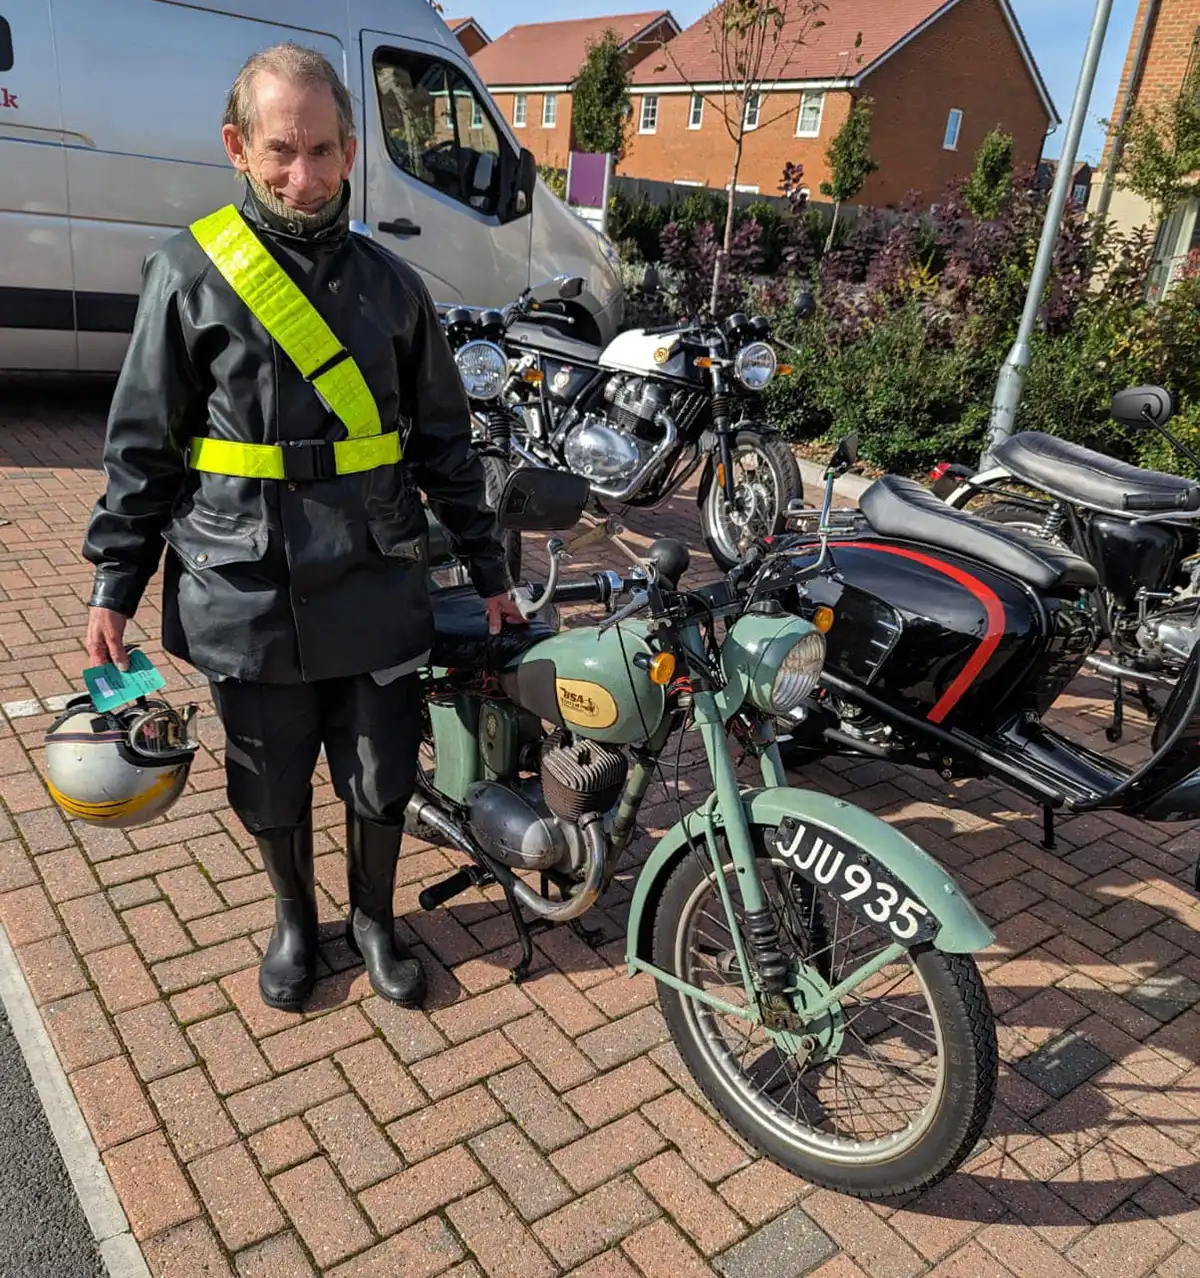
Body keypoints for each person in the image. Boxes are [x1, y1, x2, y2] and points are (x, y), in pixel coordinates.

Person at [80, 42, 524, 1013]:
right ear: (237, 147)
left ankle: (373, 919)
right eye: (282, 151)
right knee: (268, 785)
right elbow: (144, 451)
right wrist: (115, 583)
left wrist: (487, 568)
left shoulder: (393, 287)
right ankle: (294, 922)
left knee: (379, 778)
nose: (305, 176)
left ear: (353, 149)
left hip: (375, 581)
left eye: (324, 151)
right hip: (245, 590)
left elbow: (446, 442)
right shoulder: (189, 277)